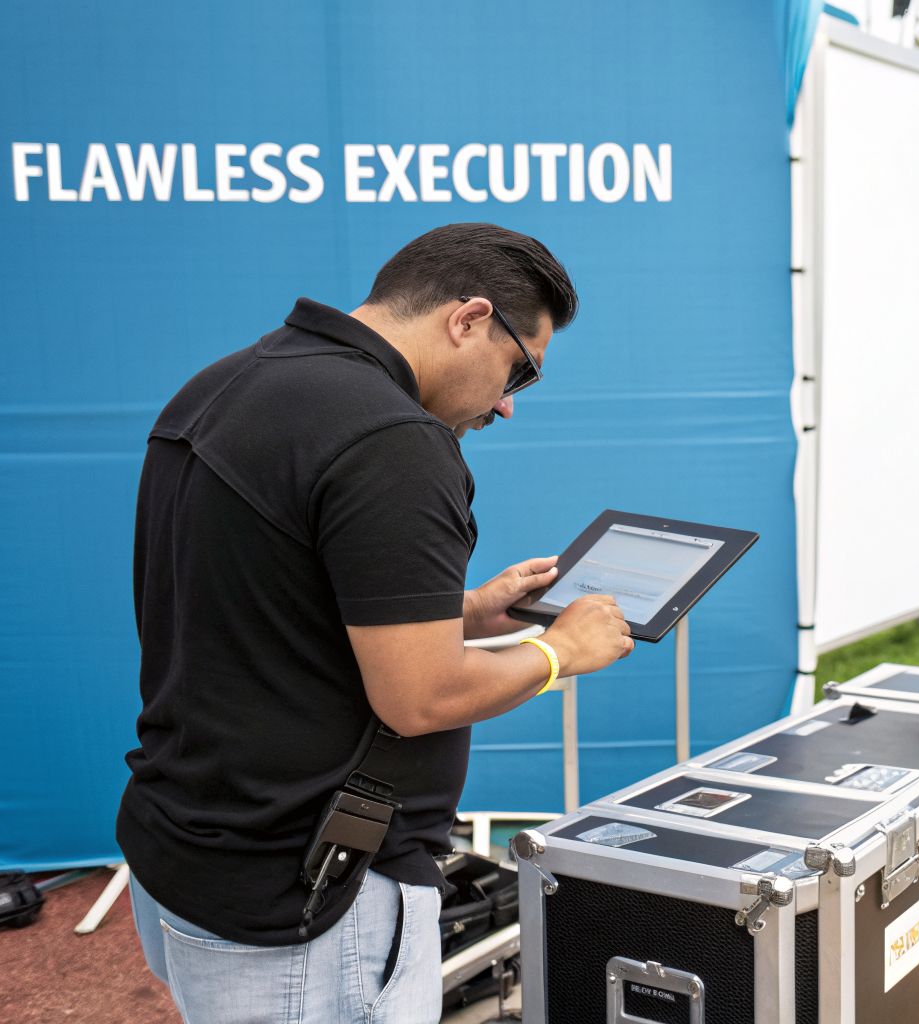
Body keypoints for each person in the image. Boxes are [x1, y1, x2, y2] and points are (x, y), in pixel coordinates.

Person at [117, 223, 636, 1022]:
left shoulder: (226, 382)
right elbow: (421, 697)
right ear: (469, 319)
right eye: (520, 370)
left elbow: (267, 605)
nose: (506, 404)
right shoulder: (395, 440)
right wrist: (558, 651)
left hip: (190, 843)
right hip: (308, 890)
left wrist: (464, 612)